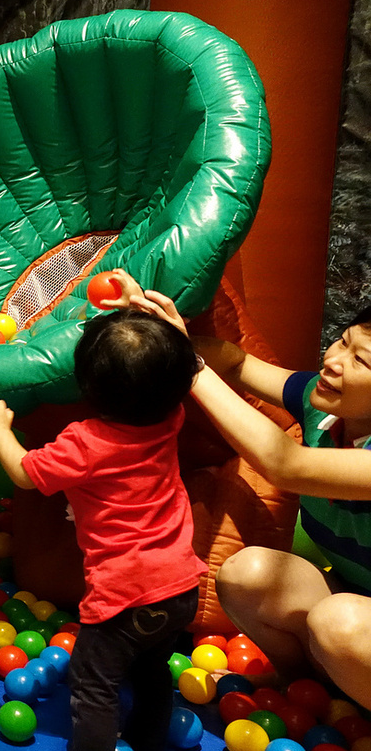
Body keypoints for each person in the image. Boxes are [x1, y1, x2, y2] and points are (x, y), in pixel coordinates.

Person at [0, 307, 207, 751]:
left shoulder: (85, 441)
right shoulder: (171, 417)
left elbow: (26, 473)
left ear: (88, 388)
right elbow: (169, 373)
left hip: (124, 595)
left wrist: (0, 427)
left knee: (94, 683)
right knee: (151, 671)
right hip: (182, 586)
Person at [134, 288, 371, 709]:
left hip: (355, 619)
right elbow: (236, 361)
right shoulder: (325, 407)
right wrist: (157, 333)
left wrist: (191, 368)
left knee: (340, 621)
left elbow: (286, 464)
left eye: (361, 360)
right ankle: (305, 694)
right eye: (342, 341)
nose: (333, 361)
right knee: (248, 574)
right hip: (357, 604)